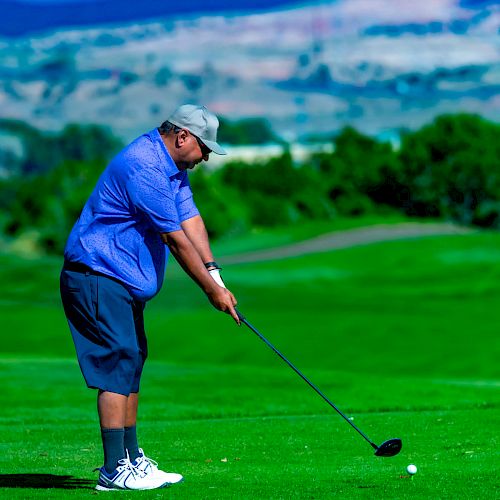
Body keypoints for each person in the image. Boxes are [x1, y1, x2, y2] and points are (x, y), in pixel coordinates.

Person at [60, 104, 240, 491]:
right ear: (182, 137)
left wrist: (214, 272)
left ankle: (131, 459)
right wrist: (213, 294)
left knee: (132, 361)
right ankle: (114, 470)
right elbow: (175, 240)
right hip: (97, 274)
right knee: (117, 362)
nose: (205, 157)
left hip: (119, 280)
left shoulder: (171, 169)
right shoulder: (145, 167)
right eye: (204, 148)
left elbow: (189, 218)